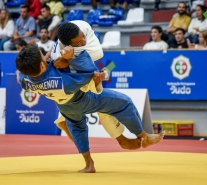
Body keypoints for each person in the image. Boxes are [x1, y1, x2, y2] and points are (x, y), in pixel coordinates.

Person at [16, 44, 165, 173]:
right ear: (42, 66)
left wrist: (45, 61)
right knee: (124, 103)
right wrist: (68, 60)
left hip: (64, 106)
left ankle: (89, 164)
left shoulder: (26, 81)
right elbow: (87, 73)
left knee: (77, 127)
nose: (46, 55)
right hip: (83, 99)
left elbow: (20, 76)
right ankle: (143, 136)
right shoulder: (62, 79)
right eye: (44, 56)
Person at [50, 21, 144, 150]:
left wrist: (69, 60)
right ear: (68, 45)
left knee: (101, 104)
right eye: (78, 43)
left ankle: (63, 119)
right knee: (98, 104)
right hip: (72, 85)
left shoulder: (83, 29)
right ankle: (123, 139)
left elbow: (100, 56)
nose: (83, 41)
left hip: (83, 80)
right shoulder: (58, 53)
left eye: (82, 37)